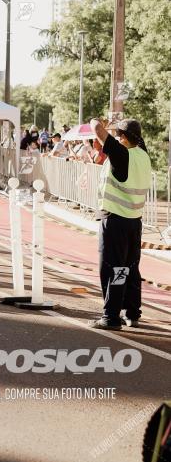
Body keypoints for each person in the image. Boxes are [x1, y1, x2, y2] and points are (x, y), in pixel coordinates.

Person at [89, 117, 152, 330]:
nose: (115, 138)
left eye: (118, 135)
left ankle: (111, 317)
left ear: (124, 138)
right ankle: (133, 313)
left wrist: (98, 121)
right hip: (134, 221)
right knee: (130, 268)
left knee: (112, 268)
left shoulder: (122, 154)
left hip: (115, 220)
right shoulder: (143, 155)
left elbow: (96, 128)